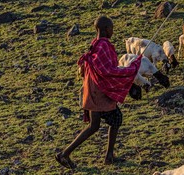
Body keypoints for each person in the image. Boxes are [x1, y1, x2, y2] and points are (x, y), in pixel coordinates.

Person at [56, 16, 141, 169]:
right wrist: (132, 68)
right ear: (106, 29)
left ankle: (67, 154)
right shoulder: (103, 47)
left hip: (92, 90)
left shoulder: (95, 45)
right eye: (112, 28)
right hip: (99, 92)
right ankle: (104, 156)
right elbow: (108, 71)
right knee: (115, 119)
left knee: (96, 126)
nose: (113, 31)